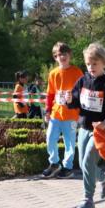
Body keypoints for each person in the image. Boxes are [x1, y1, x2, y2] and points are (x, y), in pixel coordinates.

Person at [67, 42, 105, 208]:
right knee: (83, 163)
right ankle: (103, 178)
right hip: (83, 128)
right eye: (88, 64)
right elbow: (75, 102)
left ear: (104, 63)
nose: (91, 67)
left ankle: (88, 198)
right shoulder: (83, 80)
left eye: (95, 64)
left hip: (100, 132)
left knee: (87, 161)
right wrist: (69, 100)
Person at [43, 42, 84, 179]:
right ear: (55, 57)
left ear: (69, 55)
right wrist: (47, 111)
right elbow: (50, 94)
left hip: (71, 115)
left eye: (64, 54)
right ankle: (54, 163)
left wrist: (80, 112)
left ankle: (68, 167)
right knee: (50, 139)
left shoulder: (77, 72)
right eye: (59, 55)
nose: (62, 57)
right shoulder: (53, 73)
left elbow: (82, 93)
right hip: (55, 114)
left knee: (70, 143)